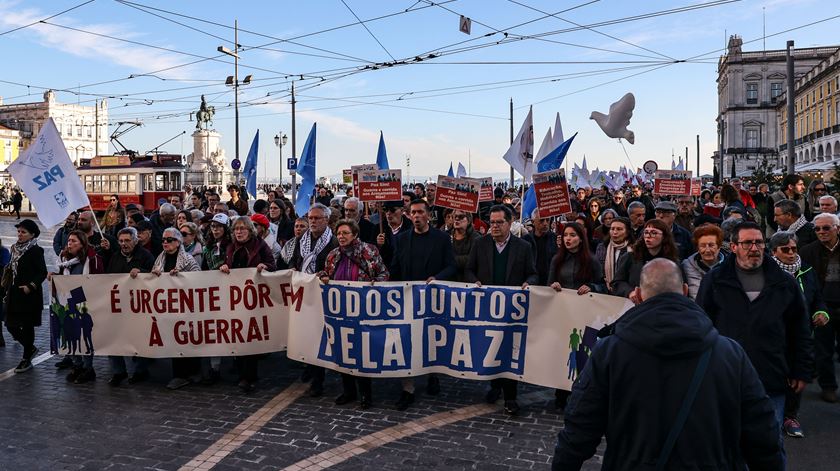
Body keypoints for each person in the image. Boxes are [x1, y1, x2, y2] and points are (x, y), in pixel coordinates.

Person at [551, 258, 783, 471]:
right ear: (684, 291)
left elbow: (580, 426)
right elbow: (763, 431)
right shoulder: (730, 353)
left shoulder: (609, 352)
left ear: (639, 296)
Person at [696, 222, 813, 462]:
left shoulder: (784, 282)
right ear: (734, 247)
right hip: (725, 376)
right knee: (727, 443)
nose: (754, 248)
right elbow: (701, 325)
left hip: (771, 376)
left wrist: (801, 369)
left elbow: (799, 329)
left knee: (769, 444)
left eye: (759, 242)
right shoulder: (716, 280)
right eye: (747, 243)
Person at [465, 204, 537, 415]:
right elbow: (469, 269)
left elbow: (533, 273)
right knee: (491, 348)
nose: (494, 226)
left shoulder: (523, 247)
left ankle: (511, 396)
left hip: (511, 311)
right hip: (487, 308)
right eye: (492, 222)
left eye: (499, 222)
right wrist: (475, 281)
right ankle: (495, 385)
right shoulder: (480, 244)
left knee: (509, 351)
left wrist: (528, 283)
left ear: (510, 222)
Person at [390, 199, 456, 410]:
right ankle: (407, 388)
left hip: (432, 299)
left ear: (428, 215)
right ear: (408, 215)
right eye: (413, 213)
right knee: (406, 340)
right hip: (407, 300)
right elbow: (395, 268)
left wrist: (436, 278)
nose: (416, 216)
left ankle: (432, 374)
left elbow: (452, 266)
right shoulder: (401, 239)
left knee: (430, 339)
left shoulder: (442, 238)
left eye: (420, 212)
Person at [318, 219, 389, 410]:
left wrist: (376, 284)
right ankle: (348, 390)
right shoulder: (333, 255)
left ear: (355, 234)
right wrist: (323, 277)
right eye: (339, 233)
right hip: (340, 311)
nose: (341, 236)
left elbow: (383, 273)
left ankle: (366, 393)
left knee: (361, 352)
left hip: (363, 309)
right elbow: (327, 273)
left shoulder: (368, 251)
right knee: (343, 351)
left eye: (345, 233)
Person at [770, 230, 828, 438]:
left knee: (797, 373)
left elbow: (818, 298)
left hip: (801, 333)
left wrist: (821, 312)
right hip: (774, 335)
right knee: (775, 375)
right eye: (785, 250)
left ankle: (790, 416)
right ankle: (768, 417)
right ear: (774, 252)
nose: (791, 253)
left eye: (794, 248)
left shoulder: (806, 270)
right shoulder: (766, 273)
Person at [219, 216, 276, 392]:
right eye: (236, 229)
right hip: (235, 298)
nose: (239, 232)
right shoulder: (229, 247)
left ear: (250, 231)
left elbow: (272, 265)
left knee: (250, 335)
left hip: (254, 298)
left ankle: (248, 376)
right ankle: (241, 370)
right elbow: (224, 264)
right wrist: (223, 267)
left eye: (243, 229)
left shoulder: (260, 245)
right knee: (237, 333)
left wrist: (264, 266)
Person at [289, 203, 338, 397]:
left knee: (319, 336)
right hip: (304, 292)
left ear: (326, 220)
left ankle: (318, 380)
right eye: (310, 218)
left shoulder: (333, 242)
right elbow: (294, 260)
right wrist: (294, 268)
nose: (313, 222)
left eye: (317, 218)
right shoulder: (302, 240)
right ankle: (309, 366)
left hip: (323, 295)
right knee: (306, 334)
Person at [151, 227, 202, 390]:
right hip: (168, 307)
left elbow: (199, 278)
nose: (165, 242)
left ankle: (193, 372)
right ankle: (179, 375)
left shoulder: (187, 259)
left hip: (187, 307)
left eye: (169, 240)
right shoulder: (160, 259)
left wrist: (182, 277)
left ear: (178, 242)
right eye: (164, 240)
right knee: (175, 340)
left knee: (188, 339)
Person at [51, 231, 104, 383]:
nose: (70, 243)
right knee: (70, 335)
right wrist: (53, 276)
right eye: (68, 240)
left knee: (84, 336)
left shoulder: (92, 259)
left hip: (85, 303)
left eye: (74, 241)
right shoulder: (64, 260)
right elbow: (61, 278)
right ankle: (77, 365)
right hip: (68, 303)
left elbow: (99, 279)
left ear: (82, 243)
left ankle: (88, 368)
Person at [799, 212, 840, 404]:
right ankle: (828, 386)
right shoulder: (807, 251)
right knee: (823, 350)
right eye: (817, 229)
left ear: (837, 229)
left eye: (826, 228)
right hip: (822, 306)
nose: (821, 232)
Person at [106, 227, 155, 386]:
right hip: (119, 306)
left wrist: (142, 272)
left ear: (135, 240)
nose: (123, 244)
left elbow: (156, 276)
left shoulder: (146, 256)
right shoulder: (115, 257)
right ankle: (118, 372)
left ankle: (141, 371)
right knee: (114, 339)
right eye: (120, 241)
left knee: (140, 339)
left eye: (127, 240)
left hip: (140, 306)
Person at [4, 219, 47, 373]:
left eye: (23, 232)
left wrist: (31, 286)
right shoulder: (14, 248)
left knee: (28, 326)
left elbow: (42, 272)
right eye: (19, 231)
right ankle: (30, 348)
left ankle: (26, 358)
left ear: (32, 234)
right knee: (10, 324)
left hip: (29, 294)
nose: (20, 234)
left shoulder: (36, 250)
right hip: (14, 292)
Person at [611, 219, 679, 301]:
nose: (648, 236)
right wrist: (630, 292)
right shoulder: (630, 257)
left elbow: (679, 286)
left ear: (664, 237)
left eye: (654, 233)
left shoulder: (672, 262)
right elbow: (617, 283)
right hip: (635, 305)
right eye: (646, 232)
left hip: (662, 304)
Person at [681, 225, 725, 300]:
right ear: (697, 248)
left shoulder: (730, 266)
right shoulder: (686, 266)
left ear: (719, 246)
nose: (707, 250)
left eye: (711, 245)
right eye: (702, 246)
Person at [595, 217, 633, 293]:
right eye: (612, 229)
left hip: (627, 291)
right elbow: (597, 270)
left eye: (619, 229)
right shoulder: (602, 247)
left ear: (627, 232)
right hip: (605, 290)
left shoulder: (634, 249)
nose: (615, 232)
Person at [521, 209, 557, 286]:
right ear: (533, 222)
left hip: (551, 283)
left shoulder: (555, 239)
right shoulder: (525, 240)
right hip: (530, 283)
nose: (545, 223)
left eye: (547, 220)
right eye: (541, 220)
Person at [450, 209, 481, 282]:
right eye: (455, 216)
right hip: (449, 282)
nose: (457, 219)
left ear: (469, 220)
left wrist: (450, 260)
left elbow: (473, 260)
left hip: (469, 282)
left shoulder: (477, 238)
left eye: (461, 217)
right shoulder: (446, 235)